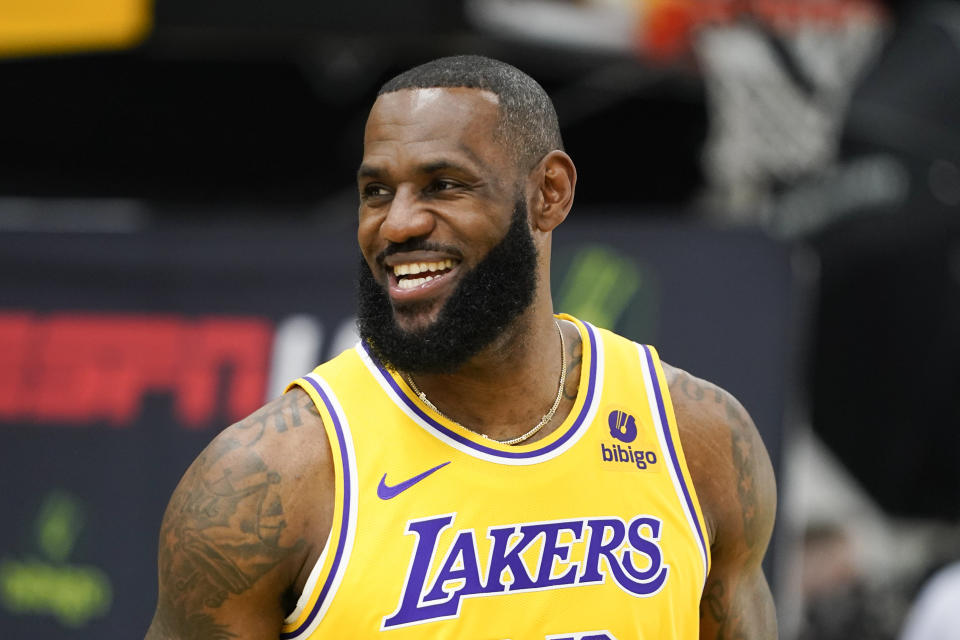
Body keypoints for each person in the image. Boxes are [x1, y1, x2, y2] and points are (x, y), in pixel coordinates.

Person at [145, 55, 777, 640]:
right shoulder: (267, 483)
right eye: (376, 192)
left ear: (549, 193)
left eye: (444, 184)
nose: (397, 224)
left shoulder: (698, 438)